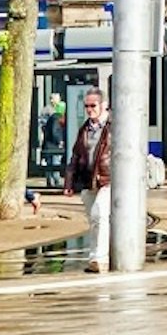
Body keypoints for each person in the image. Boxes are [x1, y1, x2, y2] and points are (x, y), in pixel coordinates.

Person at [65, 96, 112, 261]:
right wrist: (69, 183)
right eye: (86, 106)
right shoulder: (84, 129)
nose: (89, 109)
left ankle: (99, 257)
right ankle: (97, 253)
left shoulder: (114, 126)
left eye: (93, 105)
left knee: (100, 214)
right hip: (88, 180)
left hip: (108, 179)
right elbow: (75, 156)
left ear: (103, 105)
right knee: (94, 219)